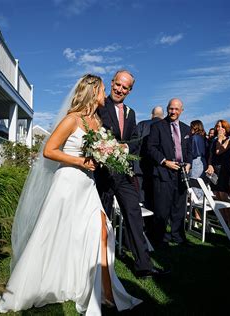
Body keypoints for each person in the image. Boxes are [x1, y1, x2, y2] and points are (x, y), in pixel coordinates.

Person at [0, 74, 142, 314]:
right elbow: (49, 151)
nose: (105, 93)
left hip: (87, 185)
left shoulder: (96, 121)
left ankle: (103, 290)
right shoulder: (71, 119)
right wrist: (78, 160)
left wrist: (109, 153)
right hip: (67, 184)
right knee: (55, 235)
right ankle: (52, 282)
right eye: (102, 89)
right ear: (92, 92)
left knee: (101, 230)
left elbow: (100, 150)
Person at [96, 70, 169, 278]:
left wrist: (126, 149)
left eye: (125, 87)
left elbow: (135, 139)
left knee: (134, 215)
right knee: (103, 219)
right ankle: (99, 265)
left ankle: (143, 266)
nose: (120, 89)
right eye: (117, 84)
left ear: (130, 90)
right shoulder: (100, 106)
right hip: (102, 176)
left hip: (124, 175)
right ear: (112, 83)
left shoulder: (131, 113)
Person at [147, 98, 192, 245]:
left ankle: (178, 237)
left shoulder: (186, 129)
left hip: (181, 173)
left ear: (181, 111)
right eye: (171, 108)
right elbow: (151, 148)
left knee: (179, 208)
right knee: (162, 208)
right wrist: (165, 162)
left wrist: (189, 164)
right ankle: (159, 239)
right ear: (167, 109)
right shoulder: (158, 126)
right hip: (163, 172)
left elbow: (189, 150)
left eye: (176, 109)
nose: (173, 111)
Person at [205, 119, 230, 227]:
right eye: (217, 126)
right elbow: (211, 155)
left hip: (224, 170)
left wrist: (220, 138)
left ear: (226, 129)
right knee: (217, 194)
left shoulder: (229, 140)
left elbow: (219, 152)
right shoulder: (214, 141)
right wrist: (209, 165)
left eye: (221, 126)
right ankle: (223, 220)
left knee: (223, 194)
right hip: (214, 169)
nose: (219, 129)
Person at [133, 105, 164, 209]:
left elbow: (134, 143)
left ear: (151, 115)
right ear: (163, 116)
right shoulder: (164, 126)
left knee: (141, 196)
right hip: (157, 166)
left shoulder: (142, 124)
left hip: (140, 164)